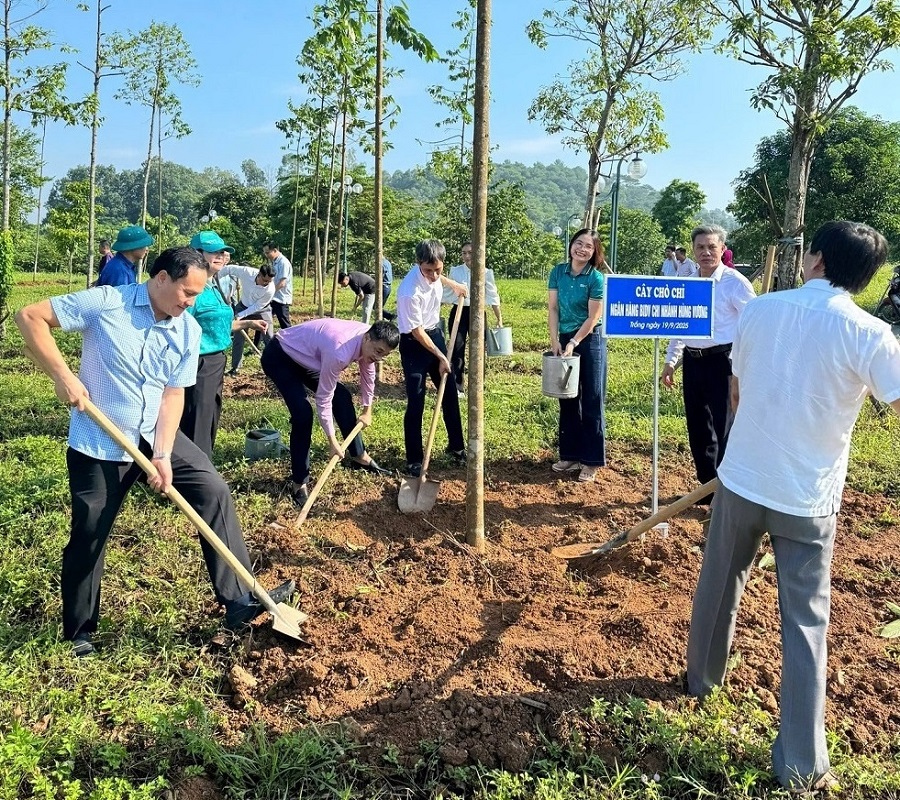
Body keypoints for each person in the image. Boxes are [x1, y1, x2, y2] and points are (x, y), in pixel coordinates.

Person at [686, 221, 900, 793]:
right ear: (867, 276)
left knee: (719, 583)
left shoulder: (761, 311)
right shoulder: (872, 334)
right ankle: (803, 764)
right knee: (806, 623)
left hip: (742, 479)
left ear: (815, 259)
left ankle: (701, 683)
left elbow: (736, 389)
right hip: (808, 498)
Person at [14, 246, 295, 657]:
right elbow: (30, 316)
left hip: (153, 431)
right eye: (186, 292)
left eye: (198, 295)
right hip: (100, 439)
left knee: (213, 489)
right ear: (161, 278)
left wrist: (163, 454)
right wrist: (63, 376)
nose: (190, 302)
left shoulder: (187, 329)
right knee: (90, 535)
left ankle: (238, 599)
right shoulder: (109, 302)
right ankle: (79, 632)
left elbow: (173, 394)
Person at [661, 225, 756, 502]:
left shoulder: (734, 283)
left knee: (725, 428)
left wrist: (744, 363)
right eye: (700, 247)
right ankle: (707, 489)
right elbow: (681, 325)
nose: (706, 252)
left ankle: (729, 492)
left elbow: (753, 323)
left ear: (722, 249)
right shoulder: (688, 281)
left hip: (724, 363)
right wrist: (671, 362)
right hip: (693, 362)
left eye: (711, 247)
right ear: (692, 250)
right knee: (699, 428)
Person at [261, 319, 398, 503]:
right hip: (281, 356)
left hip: (309, 359)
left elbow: (368, 372)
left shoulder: (370, 338)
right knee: (303, 414)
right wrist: (332, 441)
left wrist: (367, 409)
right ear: (367, 338)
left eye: (384, 355)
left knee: (341, 397)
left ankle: (358, 455)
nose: (379, 357)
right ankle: (299, 481)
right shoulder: (340, 351)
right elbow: (324, 398)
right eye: (378, 351)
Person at [179, 231, 268, 459]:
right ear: (196, 254)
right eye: (214, 251)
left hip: (216, 361)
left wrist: (248, 323)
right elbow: (176, 327)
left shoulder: (214, 286)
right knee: (197, 419)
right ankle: (193, 476)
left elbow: (218, 324)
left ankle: (201, 467)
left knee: (209, 416)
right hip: (198, 362)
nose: (221, 255)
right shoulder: (191, 290)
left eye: (222, 251)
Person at [396, 239, 468, 477]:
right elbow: (416, 332)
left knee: (448, 395)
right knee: (416, 402)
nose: (435, 275)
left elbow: (440, 278)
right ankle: (414, 460)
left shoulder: (436, 274)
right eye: (429, 271)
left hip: (434, 334)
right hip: (414, 344)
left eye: (439, 269)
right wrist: (441, 357)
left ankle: (457, 447)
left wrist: (454, 284)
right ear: (418, 264)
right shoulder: (409, 292)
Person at [547, 228, 608, 483]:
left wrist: (574, 341)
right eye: (579, 243)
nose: (582, 249)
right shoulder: (557, 272)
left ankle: (591, 461)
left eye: (589, 247)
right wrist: (555, 341)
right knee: (567, 397)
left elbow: (593, 317)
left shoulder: (595, 278)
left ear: (595, 253)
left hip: (590, 338)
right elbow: (553, 308)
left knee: (592, 397)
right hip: (564, 337)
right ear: (571, 245)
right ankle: (570, 454)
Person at [441, 241, 503, 396]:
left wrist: (499, 319)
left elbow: (493, 296)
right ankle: (458, 386)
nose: (467, 256)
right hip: (459, 312)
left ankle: (478, 384)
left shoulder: (486, 272)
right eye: (464, 253)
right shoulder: (455, 271)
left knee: (478, 349)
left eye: (470, 252)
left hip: (478, 313)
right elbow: (446, 292)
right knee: (457, 348)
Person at [219, 261, 276, 375]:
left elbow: (257, 306)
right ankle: (235, 368)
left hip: (262, 309)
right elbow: (229, 269)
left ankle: (274, 366)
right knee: (238, 338)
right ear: (258, 274)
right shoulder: (247, 272)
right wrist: (216, 279)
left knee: (269, 337)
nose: (266, 284)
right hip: (243, 305)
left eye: (269, 281)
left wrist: (241, 315)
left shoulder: (270, 289)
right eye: (264, 281)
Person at [263, 241, 293, 328]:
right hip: (274, 298)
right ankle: (259, 341)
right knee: (264, 319)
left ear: (275, 250)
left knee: (285, 324)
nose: (266, 255)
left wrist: (270, 292)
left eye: (268, 252)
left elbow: (282, 283)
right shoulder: (274, 262)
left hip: (281, 299)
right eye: (265, 253)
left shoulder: (283, 263)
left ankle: (291, 340)